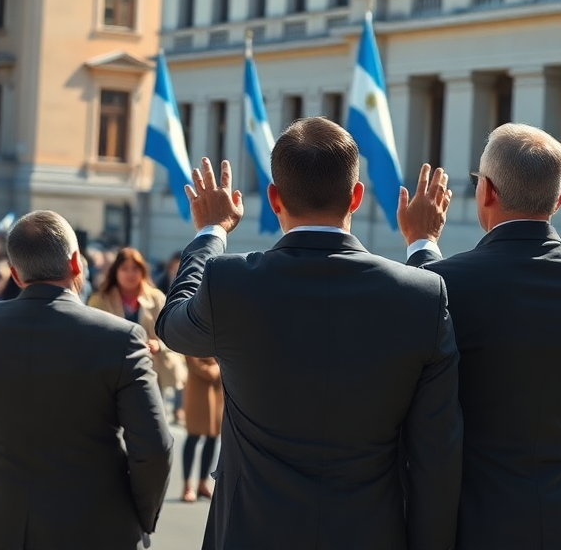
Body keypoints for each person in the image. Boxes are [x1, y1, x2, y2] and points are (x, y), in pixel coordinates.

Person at [159, 117, 462, 550]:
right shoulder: (422, 293)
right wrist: (422, 243)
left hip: (253, 533)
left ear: (274, 198)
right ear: (356, 197)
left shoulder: (230, 282)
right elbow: (438, 454)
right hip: (371, 533)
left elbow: (173, 326)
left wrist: (210, 233)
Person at [399, 122, 561, 549]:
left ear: (486, 192)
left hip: (475, 523)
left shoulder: (443, 282)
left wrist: (421, 243)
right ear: (559, 200)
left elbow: (424, 389)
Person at [0, 210, 173, 549]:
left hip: (3, 527)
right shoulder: (122, 337)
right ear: (76, 263)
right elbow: (155, 448)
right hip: (96, 527)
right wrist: (140, 514)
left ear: (15, 273)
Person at [87, 247, 186, 411]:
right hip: (112, 374)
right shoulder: (100, 300)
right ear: (115, 271)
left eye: (135, 268)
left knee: (152, 422)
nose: (130, 274)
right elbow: (91, 338)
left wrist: (158, 345)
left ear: (142, 271)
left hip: (151, 373)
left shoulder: (156, 298)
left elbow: (174, 335)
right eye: (125, 268)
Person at [180, 356, 223, 503]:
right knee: (193, 435)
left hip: (217, 391)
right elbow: (192, 360)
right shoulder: (194, 335)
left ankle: (202, 483)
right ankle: (186, 486)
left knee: (212, 437)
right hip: (198, 389)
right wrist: (217, 368)